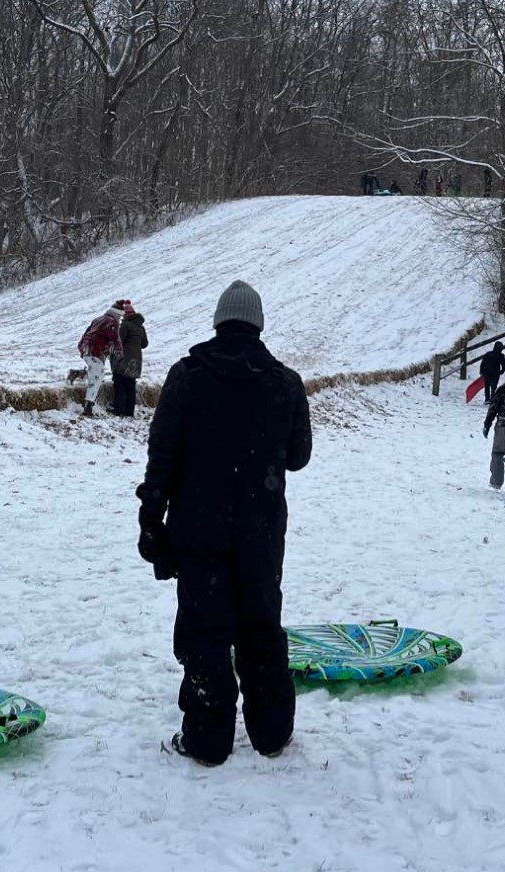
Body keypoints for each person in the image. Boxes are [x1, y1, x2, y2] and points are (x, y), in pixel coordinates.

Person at [137, 281, 313, 766]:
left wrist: (152, 519)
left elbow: (163, 457)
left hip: (198, 527)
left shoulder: (188, 376)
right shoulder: (284, 382)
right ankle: (272, 733)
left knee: (205, 631)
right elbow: (299, 457)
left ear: (218, 322)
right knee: (261, 627)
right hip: (261, 530)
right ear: (258, 326)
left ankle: (208, 740)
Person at [77, 300, 127, 417]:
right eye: (120, 316)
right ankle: (88, 406)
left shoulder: (98, 319)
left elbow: (87, 333)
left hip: (86, 349)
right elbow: (116, 339)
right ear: (117, 314)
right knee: (97, 375)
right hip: (94, 351)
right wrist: (120, 354)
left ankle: (89, 403)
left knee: (94, 374)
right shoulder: (112, 322)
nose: (120, 319)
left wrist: (82, 348)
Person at [112, 304, 148, 416]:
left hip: (125, 360)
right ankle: (129, 412)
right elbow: (144, 344)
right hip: (136, 361)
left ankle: (119, 410)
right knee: (130, 386)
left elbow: (119, 341)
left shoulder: (125, 325)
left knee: (120, 384)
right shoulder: (141, 327)